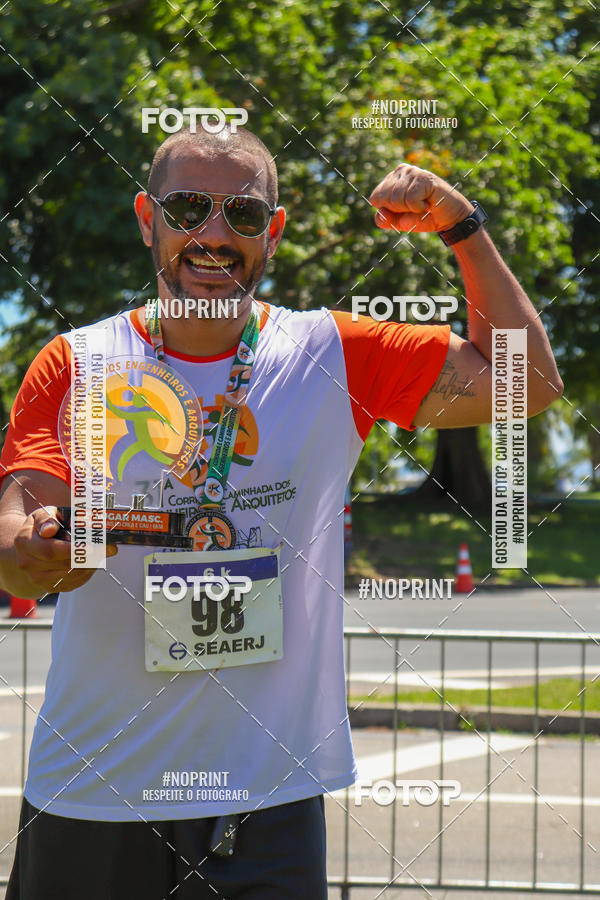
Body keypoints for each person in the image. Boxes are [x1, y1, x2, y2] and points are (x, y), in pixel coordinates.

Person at [0, 124, 563, 899]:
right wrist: (35, 552)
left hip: (264, 802)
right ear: (146, 218)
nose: (214, 234)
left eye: (244, 214)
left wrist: (462, 228)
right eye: (189, 207)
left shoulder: (333, 354)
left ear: (275, 230)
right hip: (94, 793)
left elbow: (526, 381)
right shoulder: (77, 362)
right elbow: (21, 526)